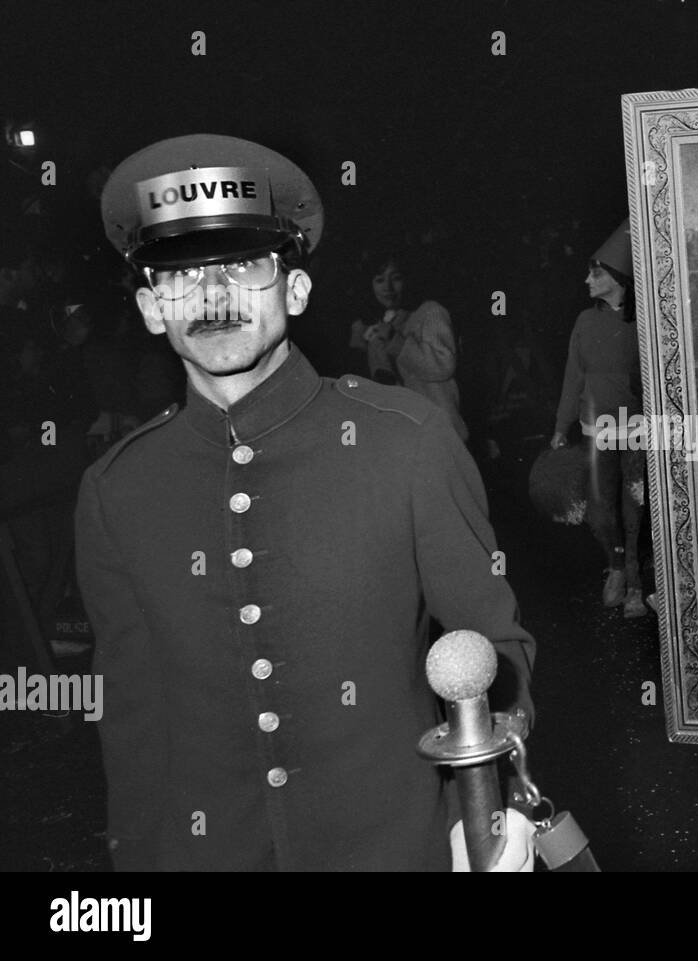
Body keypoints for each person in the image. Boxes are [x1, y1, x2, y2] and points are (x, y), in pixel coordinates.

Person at [80, 134, 535, 871]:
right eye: (181, 275)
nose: (213, 295)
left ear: (294, 290)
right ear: (149, 308)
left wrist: (492, 804)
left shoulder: (405, 444)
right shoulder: (117, 491)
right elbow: (134, 727)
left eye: (241, 267)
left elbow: (498, 651)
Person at [551, 220, 649, 617]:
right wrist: (560, 426)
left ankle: (636, 585)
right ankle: (615, 565)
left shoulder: (643, 324)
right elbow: (572, 377)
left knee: (635, 507)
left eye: (596, 272)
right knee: (600, 507)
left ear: (618, 278)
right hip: (597, 430)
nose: (587, 279)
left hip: (637, 429)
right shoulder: (584, 322)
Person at [350, 248, 469, 441]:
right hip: (407, 438)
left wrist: (396, 342)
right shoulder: (382, 326)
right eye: (379, 280)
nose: (387, 287)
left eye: (395, 278)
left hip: (443, 436)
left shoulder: (430, 313)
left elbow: (443, 366)